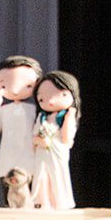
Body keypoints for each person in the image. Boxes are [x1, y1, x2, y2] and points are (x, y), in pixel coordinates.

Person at [0, 55, 42, 206]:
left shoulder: (35, 110)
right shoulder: (4, 110)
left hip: (31, 161)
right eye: (5, 84)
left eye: (26, 85)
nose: (15, 89)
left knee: (30, 198)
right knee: (10, 200)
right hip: (7, 161)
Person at [29, 69, 81, 210]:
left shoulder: (66, 117)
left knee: (57, 176)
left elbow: (66, 139)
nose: (50, 101)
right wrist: (39, 141)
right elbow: (34, 135)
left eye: (61, 94)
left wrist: (69, 118)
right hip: (42, 152)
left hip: (57, 151)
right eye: (42, 98)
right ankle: (43, 202)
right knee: (42, 177)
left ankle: (59, 203)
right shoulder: (41, 117)